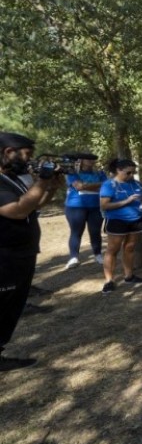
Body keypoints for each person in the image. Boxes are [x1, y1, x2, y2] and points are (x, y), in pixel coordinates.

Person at [0, 132, 64, 371]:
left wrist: (50, 187)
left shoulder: (11, 178)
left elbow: (32, 206)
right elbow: (17, 211)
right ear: (8, 152)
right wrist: (40, 181)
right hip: (5, 256)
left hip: (20, 253)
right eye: (27, 154)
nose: (30, 160)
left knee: (11, 306)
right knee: (3, 305)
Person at [99, 159, 142, 294]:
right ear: (118, 170)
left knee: (130, 247)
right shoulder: (109, 185)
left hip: (136, 220)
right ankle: (109, 281)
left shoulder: (136, 183)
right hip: (117, 220)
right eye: (128, 172)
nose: (131, 175)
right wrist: (127, 201)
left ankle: (129, 276)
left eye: (133, 172)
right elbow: (104, 205)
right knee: (112, 250)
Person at [63, 153, 106, 269]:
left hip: (96, 206)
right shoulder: (72, 172)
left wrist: (87, 185)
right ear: (81, 160)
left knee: (95, 232)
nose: (91, 161)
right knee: (76, 232)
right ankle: (73, 257)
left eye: (93, 159)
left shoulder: (100, 173)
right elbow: (79, 186)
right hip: (75, 206)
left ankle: (98, 255)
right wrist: (96, 185)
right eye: (88, 159)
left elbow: (106, 185)